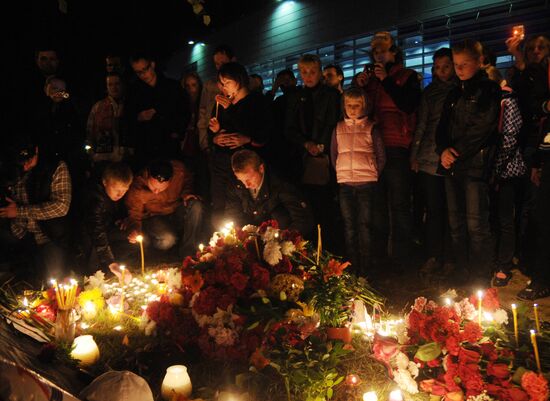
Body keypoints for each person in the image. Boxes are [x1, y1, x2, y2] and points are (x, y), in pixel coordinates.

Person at [435, 39, 501, 286]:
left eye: (464, 64)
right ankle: (461, 273)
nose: (459, 69)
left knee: (476, 225)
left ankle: (480, 278)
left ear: (478, 62)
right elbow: (442, 127)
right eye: (456, 64)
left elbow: (482, 127)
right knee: (456, 225)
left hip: (474, 166)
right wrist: (442, 150)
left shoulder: (488, 90)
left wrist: (456, 151)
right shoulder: (454, 92)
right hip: (452, 167)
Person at [355, 31, 421, 265]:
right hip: (373, 146)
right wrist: (359, 86)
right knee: (378, 204)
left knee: (400, 203)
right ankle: (380, 256)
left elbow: (409, 104)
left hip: (397, 147)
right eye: (375, 51)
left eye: (383, 50)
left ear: (394, 52)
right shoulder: (369, 79)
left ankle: (402, 257)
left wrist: (386, 81)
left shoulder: (407, 76)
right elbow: (358, 111)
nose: (378, 55)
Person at [285, 54, 341, 251]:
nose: (308, 76)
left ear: (320, 72)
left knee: (324, 207)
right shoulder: (295, 98)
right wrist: (305, 143)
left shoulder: (331, 96)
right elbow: (289, 127)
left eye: (312, 72)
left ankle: (328, 251)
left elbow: (333, 124)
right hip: (301, 159)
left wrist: (320, 146)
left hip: (323, 159)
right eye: (304, 72)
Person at [410, 48, 457, 280]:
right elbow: (422, 123)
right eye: (437, 67)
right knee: (434, 211)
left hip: (454, 158)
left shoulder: (461, 89)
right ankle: (433, 256)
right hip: (430, 158)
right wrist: (415, 154)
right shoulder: (430, 92)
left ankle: (451, 258)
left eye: (446, 66)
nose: (441, 71)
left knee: (452, 212)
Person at [208, 61, 272, 228]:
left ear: (240, 80)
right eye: (221, 83)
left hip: (244, 162)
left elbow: (258, 133)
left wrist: (246, 138)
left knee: (243, 205)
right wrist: (214, 136)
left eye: (227, 82)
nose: (223, 87)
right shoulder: (222, 104)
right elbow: (213, 129)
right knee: (219, 205)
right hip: (221, 161)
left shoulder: (256, 102)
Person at [0, 137, 72, 281]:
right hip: (18, 231)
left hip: (47, 235)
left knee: (53, 280)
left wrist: (19, 211)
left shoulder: (55, 167)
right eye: (21, 162)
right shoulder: (11, 168)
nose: (25, 166)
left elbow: (61, 206)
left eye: (28, 161)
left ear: (36, 151)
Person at [331, 88, 385, 277]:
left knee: (365, 225)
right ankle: (352, 265)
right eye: (349, 105)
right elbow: (334, 154)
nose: (352, 109)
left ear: (365, 106)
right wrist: (341, 173)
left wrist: (372, 172)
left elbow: (380, 156)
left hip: (366, 184)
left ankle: (367, 267)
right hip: (345, 184)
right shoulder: (338, 128)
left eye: (356, 105)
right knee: (349, 225)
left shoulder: (371, 128)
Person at [485, 66, 527, 286]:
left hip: (506, 170)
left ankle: (504, 264)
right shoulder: (494, 101)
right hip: (492, 169)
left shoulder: (507, 101)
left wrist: (497, 168)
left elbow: (510, 138)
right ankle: (494, 260)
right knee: (492, 218)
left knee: (504, 218)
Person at [124, 159, 203, 258]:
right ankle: (153, 245)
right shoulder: (137, 188)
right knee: (168, 240)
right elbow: (134, 215)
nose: (156, 192)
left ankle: (188, 253)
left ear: (170, 180)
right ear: (148, 176)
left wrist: (187, 193)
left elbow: (188, 180)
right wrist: (135, 230)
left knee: (196, 205)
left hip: (176, 209)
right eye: (153, 187)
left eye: (161, 189)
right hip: (155, 217)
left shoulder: (179, 171)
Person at [225, 149, 313, 236]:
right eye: (241, 180)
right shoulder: (235, 184)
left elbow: (302, 220)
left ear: (261, 168)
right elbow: (233, 214)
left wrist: (283, 239)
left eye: (249, 179)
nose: (246, 185)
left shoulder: (281, 184)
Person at [126, 53, 190, 166]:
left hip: (169, 145)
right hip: (145, 148)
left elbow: (184, 111)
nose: (143, 75)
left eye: (144, 69)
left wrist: (177, 131)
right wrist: (139, 117)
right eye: (138, 72)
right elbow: (127, 119)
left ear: (152, 65)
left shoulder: (172, 87)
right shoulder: (133, 92)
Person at [80, 162, 134, 274]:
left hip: (107, 228)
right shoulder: (94, 198)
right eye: (117, 190)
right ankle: (99, 270)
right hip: (88, 234)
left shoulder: (115, 195)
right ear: (105, 182)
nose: (120, 194)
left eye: (124, 190)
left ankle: (113, 267)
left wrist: (124, 219)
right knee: (92, 268)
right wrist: (110, 261)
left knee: (134, 239)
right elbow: (96, 230)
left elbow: (120, 209)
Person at [197, 45, 236, 155]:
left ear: (233, 60)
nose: (219, 67)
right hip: (212, 141)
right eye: (216, 64)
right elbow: (203, 113)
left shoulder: (245, 85)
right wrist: (204, 143)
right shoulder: (209, 85)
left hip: (234, 141)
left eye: (223, 64)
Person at [86, 72, 129, 171]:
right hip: (103, 159)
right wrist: (91, 155)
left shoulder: (131, 105)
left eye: (117, 84)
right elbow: (89, 132)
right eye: (110, 84)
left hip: (126, 157)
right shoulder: (98, 107)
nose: (114, 87)